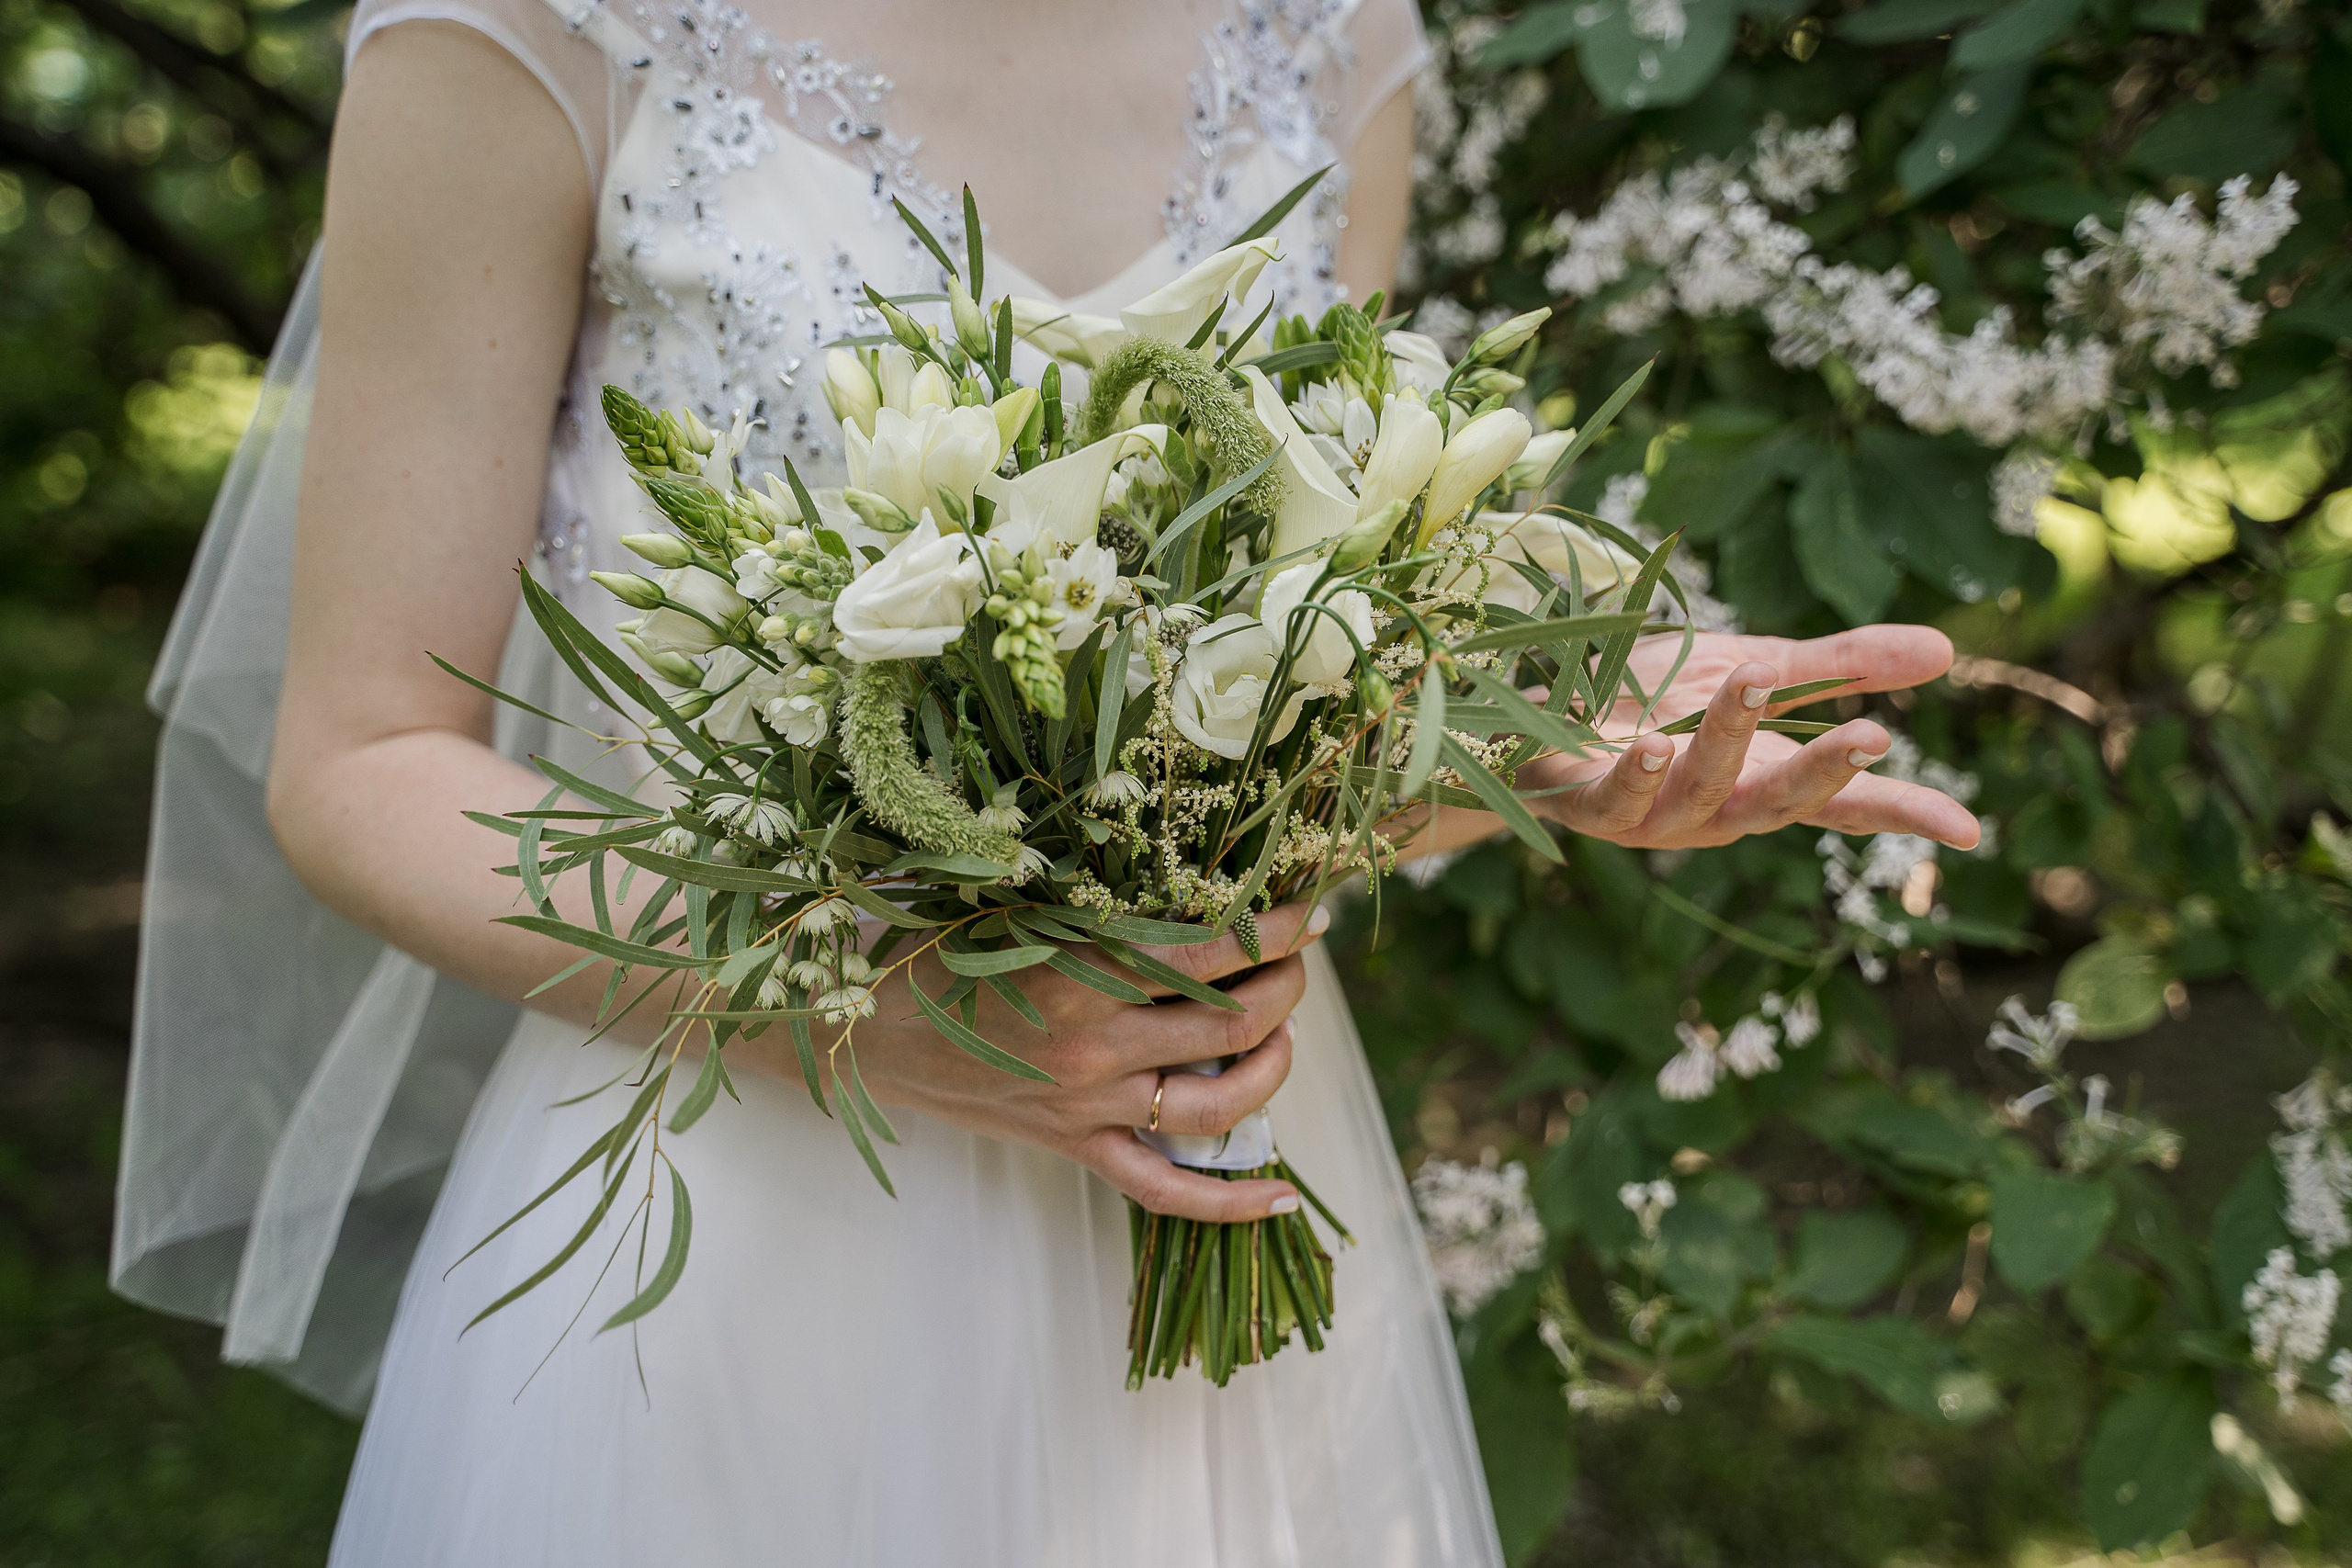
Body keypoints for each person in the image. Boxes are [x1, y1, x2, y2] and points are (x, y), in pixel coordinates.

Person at [113, 1, 1981, 1562]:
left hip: (1211, 1173)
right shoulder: (532, 26)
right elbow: (359, 759)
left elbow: (1275, 737)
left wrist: (1515, 747)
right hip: (743, 1204)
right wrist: (868, 1006)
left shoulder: (1330, 39)